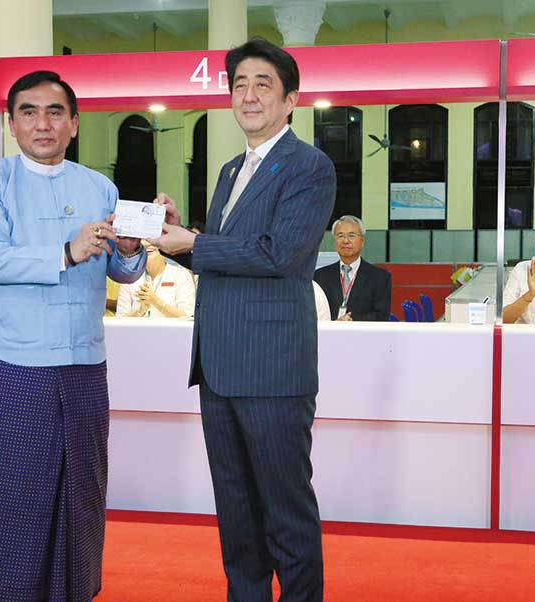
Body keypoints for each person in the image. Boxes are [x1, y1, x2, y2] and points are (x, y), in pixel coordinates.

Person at [151, 38, 335, 601]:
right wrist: (179, 234)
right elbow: (227, 255)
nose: (248, 95)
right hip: (219, 367)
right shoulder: (232, 169)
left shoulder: (309, 166)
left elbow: (281, 254)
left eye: (263, 84)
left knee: (285, 512)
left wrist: (195, 242)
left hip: (273, 369)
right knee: (236, 515)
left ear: (290, 100)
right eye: (239, 85)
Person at [0, 70, 146, 602]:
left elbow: (121, 272)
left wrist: (130, 248)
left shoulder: (99, 187)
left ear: (74, 124)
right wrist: (65, 252)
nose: (43, 124)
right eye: (29, 112)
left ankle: (76, 591)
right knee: (15, 494)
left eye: (55, 112)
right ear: (12, 124)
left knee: (82, 489)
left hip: (85, 361)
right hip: (18, 362)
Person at [314, 215, 392, 321]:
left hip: (362, 331)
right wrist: (335, 323)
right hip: (328, 331)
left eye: (351, 236)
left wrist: (351, 320)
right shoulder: (319, 276)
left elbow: (382, 316)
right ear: (334, 240)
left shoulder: (380, 277)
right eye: (340, 235)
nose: (346, 241)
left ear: (362, 241)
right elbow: (313, 312)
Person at [116, 240, 195, 318]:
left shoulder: (181, 275)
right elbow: (119, 320)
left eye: (153, 238)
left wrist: (155, 301)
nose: (147, 243)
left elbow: (187, 316)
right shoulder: (128, 278)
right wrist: (140, 312)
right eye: (143, 239)